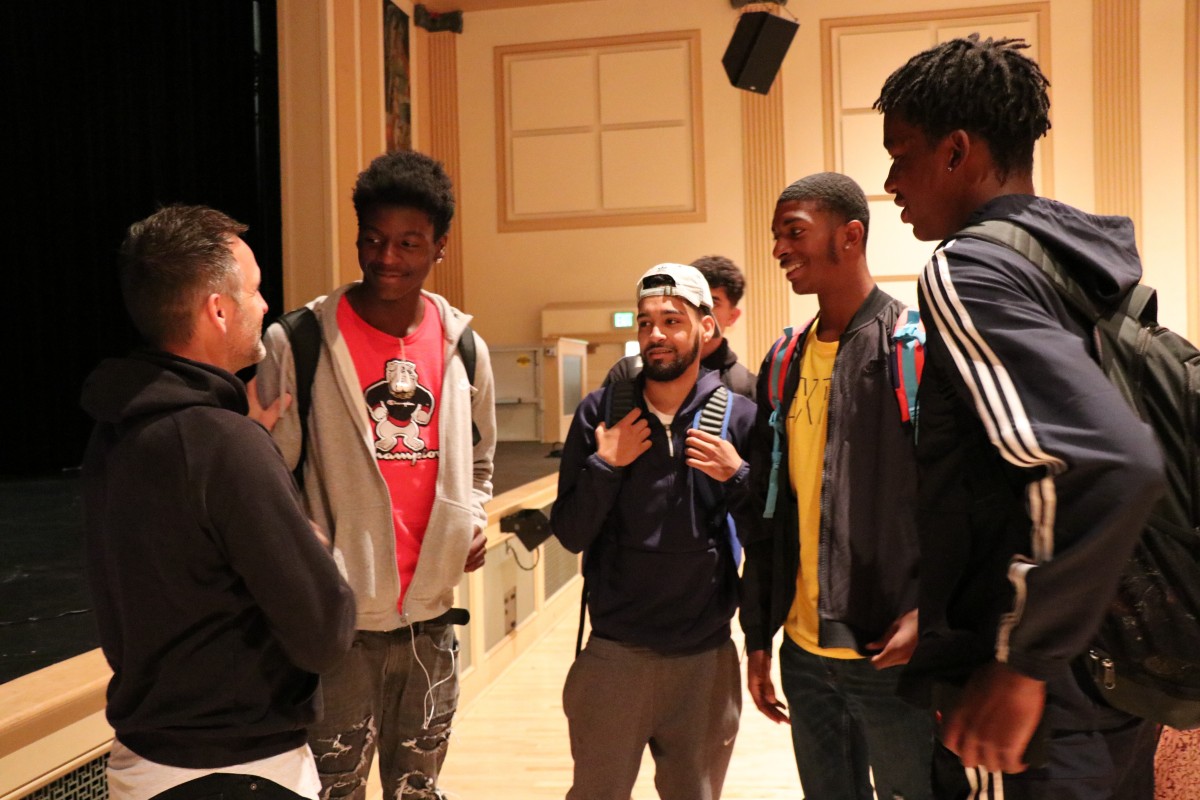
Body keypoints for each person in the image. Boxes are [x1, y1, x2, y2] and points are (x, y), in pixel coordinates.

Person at [874, 34, 1166, 797]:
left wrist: (1018, 662)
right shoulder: (1071, 261)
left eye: (901, 154)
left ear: (958, 152)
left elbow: (1113, 459)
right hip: (1116, 664)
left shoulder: (966, 266)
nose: (890, 180)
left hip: (1040, 699)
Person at [82, 204, 356, 800]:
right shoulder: (223, 446)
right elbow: (324, 631)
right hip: (240, 774)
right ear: (218, 309)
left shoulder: (114, 432)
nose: (264, 305)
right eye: (255, 290)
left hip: (144, 765)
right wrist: (312, 540)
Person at [256, 150, 496, 800]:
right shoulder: (299, 341)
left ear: (439, 246)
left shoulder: (463, 345)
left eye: (409, 243)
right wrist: (314, 553)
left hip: (431, 621)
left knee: (419, 789)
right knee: (333, 790)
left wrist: (470, 519)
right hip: (338, 627)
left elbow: (481, 462)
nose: (387, 257)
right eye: (373, 240)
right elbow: (269, 481)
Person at [739, 172, 939, 800]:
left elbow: (954, 505)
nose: (779, 251)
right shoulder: (785, 358)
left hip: (891, 652)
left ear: (850, 236)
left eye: (794, 233)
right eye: (777, 237)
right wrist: (758, 637)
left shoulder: (914, 349)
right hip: (803, 653)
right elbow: (771, 513)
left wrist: (927, 614)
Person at [550, 263, 757, 800]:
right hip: (616, 654)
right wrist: (605, 464)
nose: (657, 335)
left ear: (706, 329)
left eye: (672, 320)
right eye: (646, 323)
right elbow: (570, 532)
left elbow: (769, 535)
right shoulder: (600, 413)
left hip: (704, 659)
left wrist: (737, 476)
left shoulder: (741, 419)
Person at [605, 255, 757, 399]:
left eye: (712, 302)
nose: (702, 306)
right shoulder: (628, 372)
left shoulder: (744, 387)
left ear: (732, 316)